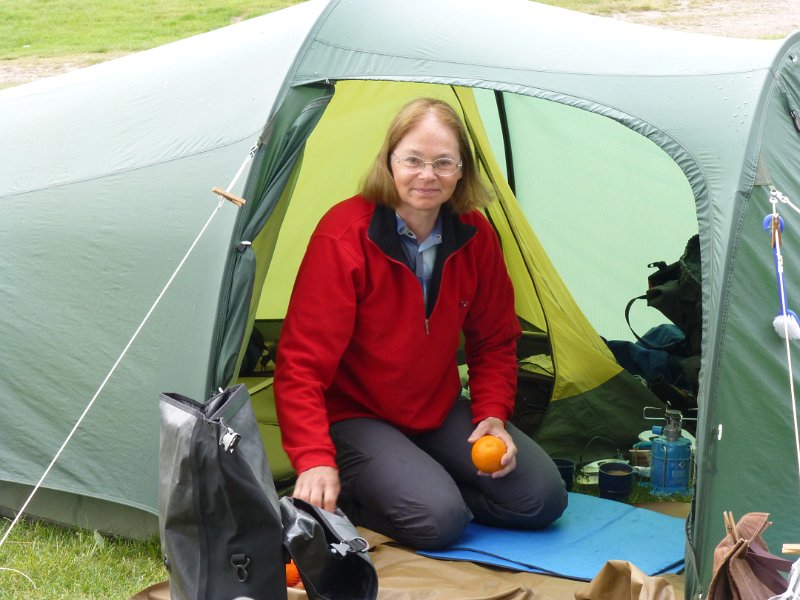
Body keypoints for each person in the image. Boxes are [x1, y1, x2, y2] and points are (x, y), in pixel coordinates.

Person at [274, 97, 567, 550]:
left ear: (461, 171)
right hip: (356, 416)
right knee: (438, 522)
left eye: (443, 162)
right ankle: (379, 493)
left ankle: (429, 491)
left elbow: (494, 340)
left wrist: (492, 415)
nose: (427, 175)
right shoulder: (343, 235)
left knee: (541, 500)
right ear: (389, 161)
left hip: (435, 409)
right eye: (413, 159)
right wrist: (313, 457)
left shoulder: (475, 234)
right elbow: (299, 366)